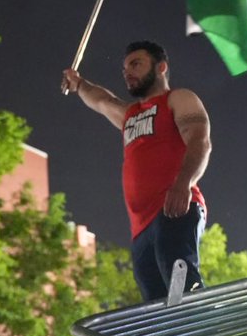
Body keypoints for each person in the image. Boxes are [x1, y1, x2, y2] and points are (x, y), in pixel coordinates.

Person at [62, 40, 211, 302]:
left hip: (173, 207)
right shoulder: (130, 115)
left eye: (136, 64)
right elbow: (102, 101)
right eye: (124, 68)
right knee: (154, 305)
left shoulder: (177, 99)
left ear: (161, 67)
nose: (127, 72)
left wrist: (183, 183)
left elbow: (200, 142)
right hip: (140, 229)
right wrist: (79, 84)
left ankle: (203, 335)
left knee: (182, 287)